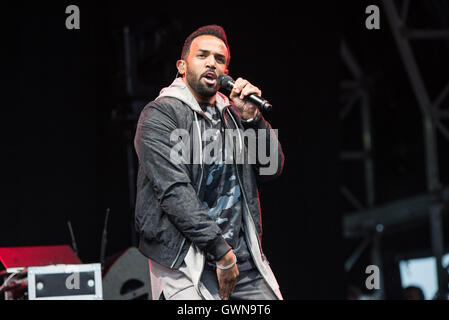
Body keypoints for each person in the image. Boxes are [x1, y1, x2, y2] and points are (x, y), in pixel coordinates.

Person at [134, 25, 284, 300]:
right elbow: (174, 192)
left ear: (226, 71)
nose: (211, 63)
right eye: (202, 55)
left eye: (219, 59)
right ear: (182, 65)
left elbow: (272, 168)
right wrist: (220, 252)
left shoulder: (233, 113)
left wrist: (253, 119)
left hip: (241, 261)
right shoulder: (160, 114)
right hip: (184, 261)